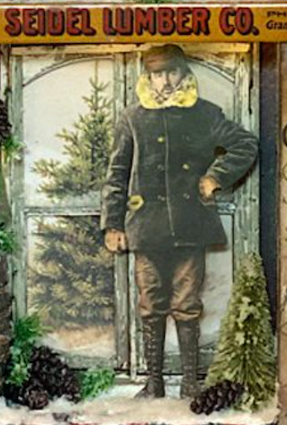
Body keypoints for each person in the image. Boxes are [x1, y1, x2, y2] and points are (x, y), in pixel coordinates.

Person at [101, 44, 258, 399]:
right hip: (145, 228)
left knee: (188, 304)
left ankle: (190, 382)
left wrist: (215, 176)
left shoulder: (204, 114)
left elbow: (245, 144)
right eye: (158, 74)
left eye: (172, 72)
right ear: (148, 78)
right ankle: (153, 382)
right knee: (150, 303)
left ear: (184, 75)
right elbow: (117, 173)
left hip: (191, 225)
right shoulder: (132, 118)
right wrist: (113, 224)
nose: (166, 81)